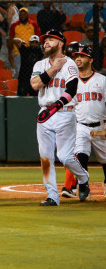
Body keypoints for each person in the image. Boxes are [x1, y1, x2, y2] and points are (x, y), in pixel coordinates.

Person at [30, 30, 90, 206]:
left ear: (61, 43)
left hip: (64, 112)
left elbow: (72, 89)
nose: (46, 42)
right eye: (45, 40)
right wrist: (53, 68)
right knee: (46, 158)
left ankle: (83, 178)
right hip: (44, 112)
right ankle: (52, 197)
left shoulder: (70, 64)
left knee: (65, 156)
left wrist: (57, 105)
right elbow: (35, 84)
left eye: (51, 39)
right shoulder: (40, 64)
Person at [71, 45, 106, 194]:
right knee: (80, 155)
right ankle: (83, 185)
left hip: (100, 126)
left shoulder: (102, 80)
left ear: (90, 60)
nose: (78, 59)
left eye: (82, 56)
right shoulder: (71, 82)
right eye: (76, 56)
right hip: (80, 126)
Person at [8, 7, 40, 72]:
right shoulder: (14, 25)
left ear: (27, 15)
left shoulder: (33, 24)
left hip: (31, 52)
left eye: (24, 14)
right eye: (21, 14)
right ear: (19, 15)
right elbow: (11, 39)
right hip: (18, 52)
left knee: (32, 71)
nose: (22, 16)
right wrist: (11, 52)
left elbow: (38, 38)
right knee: (19, 71)